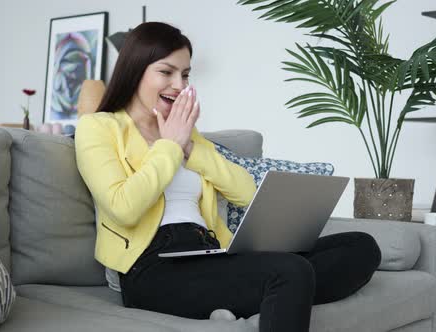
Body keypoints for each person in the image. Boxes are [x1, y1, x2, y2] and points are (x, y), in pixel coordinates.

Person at [75, 22, 381, 332]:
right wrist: (169, 146)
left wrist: (190, 147)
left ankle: (254, 299)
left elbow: (246, 192)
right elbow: (124, 206)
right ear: (135, 70)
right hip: (151, 268)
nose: (179, 85)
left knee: (360, 247)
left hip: (208, 251)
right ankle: (272, 294)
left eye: (185, 75)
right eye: (166, 72)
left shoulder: (188, 134)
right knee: (291, 271)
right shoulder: (99, 127)